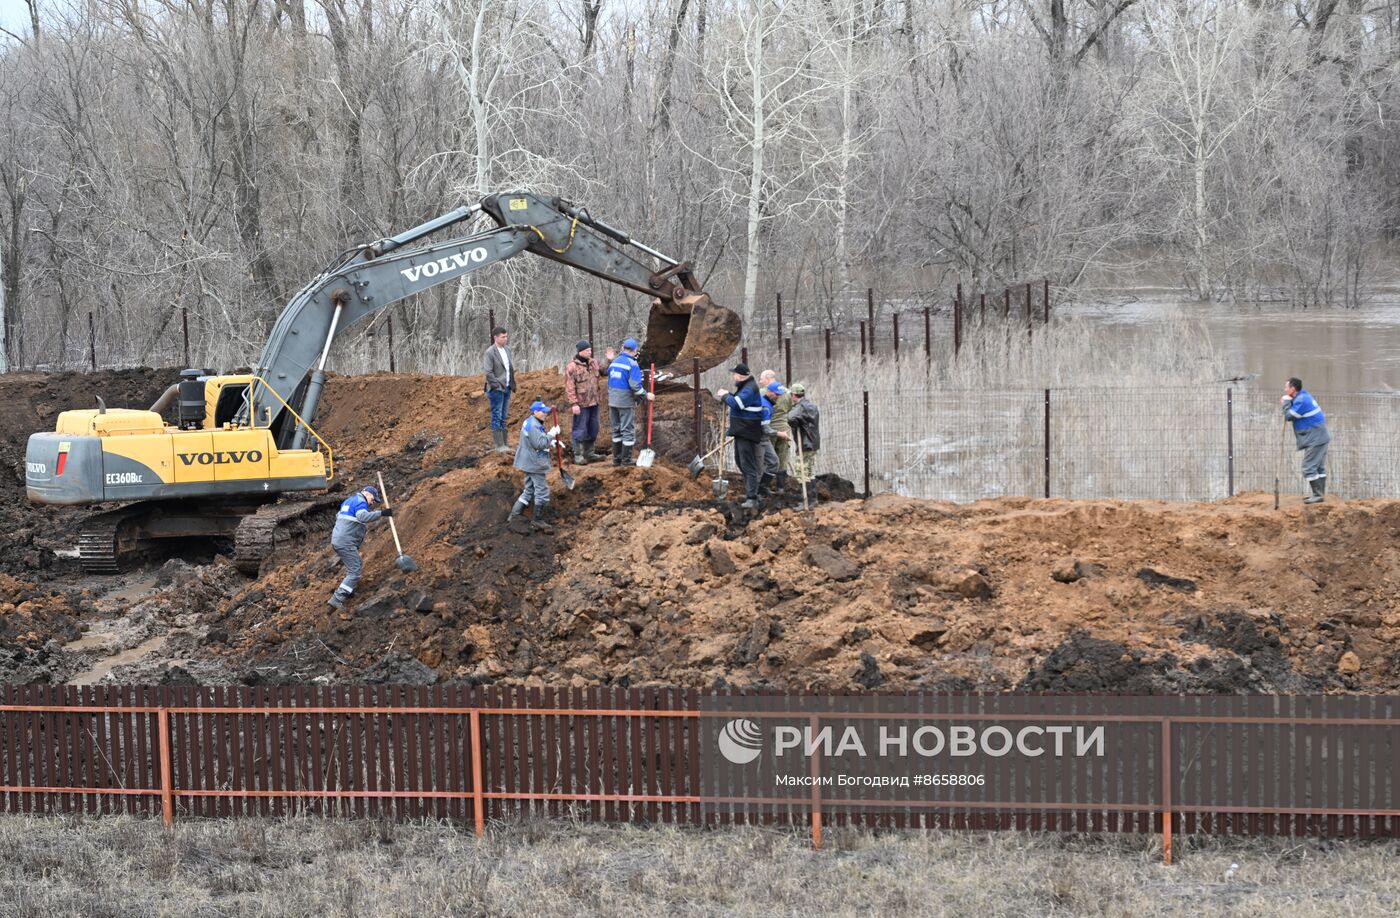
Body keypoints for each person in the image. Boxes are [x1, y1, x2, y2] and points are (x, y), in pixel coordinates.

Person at [328, 484, 392, 608]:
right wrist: (382, 513)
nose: (372, 503)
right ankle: (337, 598)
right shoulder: (361, 502)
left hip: (339, 539)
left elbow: (339, 516)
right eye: (373, 499)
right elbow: (362, 516)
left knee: (354, 565)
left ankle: (349, 590)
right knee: (355, 571)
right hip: (346, 541)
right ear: (367, 494)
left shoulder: (349, 501)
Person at [715, 362, 765, 508]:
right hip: (741, 431)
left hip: (747, 432)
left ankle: (752, 497)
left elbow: (738, 404)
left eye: (735, 374)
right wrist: (727, 395)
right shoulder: (746, 387)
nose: (733, 377)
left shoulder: (750, 389)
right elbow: (737, 401)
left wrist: (725, 396)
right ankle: (751, 491)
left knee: (748, 465)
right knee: (740, 461)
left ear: (741, 376)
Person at [508, 401, 559, 531]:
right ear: (535, 412)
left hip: (528, 460)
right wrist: (551, 434)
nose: (545, 414)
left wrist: (550, 442)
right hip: (534, 463)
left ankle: (514, 515)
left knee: (529, 489)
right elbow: (539, 444)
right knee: (541, 491)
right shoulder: (533, 425)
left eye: (546, 412)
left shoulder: (531, 422)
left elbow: (535, 441)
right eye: (543, 412)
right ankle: (537, 520)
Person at [1282, 377, 1330, 504]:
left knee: (1308, 467)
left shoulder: (1301, 401)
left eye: (1286, 387)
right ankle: (1319, 495)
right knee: (1318, 467)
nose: (1284, 389)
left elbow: (1289, 416)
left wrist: (1286, 403)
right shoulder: (1303, 396)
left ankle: (1318, 495)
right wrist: (1290, 401)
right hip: (1320, 436)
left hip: (1316, 438)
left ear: (1293, 389)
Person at [607, 337, 653, 466]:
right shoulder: (632, 365)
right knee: (627, 430)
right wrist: (646, 395)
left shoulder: (614, 362)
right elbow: (635, 386)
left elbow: (610, 380)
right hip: (625, 402)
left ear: (623, 349)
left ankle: (616, 460)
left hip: (612, 400)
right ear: (634, 351)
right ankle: (626, 460)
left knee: (616, 430)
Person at [564, 339, 602, 464]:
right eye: (587, 350)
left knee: (593, 427)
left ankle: (589, 453)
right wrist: (574, 403)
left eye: (590, 349)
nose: (590, 352)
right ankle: (578, 454)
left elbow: (604, 372)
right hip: (581, 403)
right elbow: (570, 387)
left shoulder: (593, 363)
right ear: (580, 351)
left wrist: (610, 360)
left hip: (594, 402)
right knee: (580, 429)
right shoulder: (572, 367)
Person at [483, 326, 516, 454]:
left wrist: (512, 383)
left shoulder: (507, 350)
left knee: (504, 416)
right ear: (495, 337)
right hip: (497, 389)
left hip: (507, 387)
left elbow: (509, 369)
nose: (506, 339)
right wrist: (496, 385)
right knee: (496, 415)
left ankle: (505, 444)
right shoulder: (490, 352)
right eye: (503, 337)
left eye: (506, 336)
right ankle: (499, 445)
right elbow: (488, 372)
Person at [786, 382, 820, 495]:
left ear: (794, 395)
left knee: (801, 471)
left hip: (805, 443)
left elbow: (790, 417)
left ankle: (808, 498)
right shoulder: (811, 405)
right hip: (813, 442)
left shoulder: (801, 407)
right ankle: (812, 498)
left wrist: (795, 422)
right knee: (809, 470)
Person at [760, 378, 792, 494]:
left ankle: (764, 487)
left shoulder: (761, 392)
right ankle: (780, 488)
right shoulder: (787, 393)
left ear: (768, 379)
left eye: (762, 379)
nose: (760, 381)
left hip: (769, 429)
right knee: (782, 457)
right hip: (783, 428)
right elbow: (790, 408)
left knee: (767, 458)